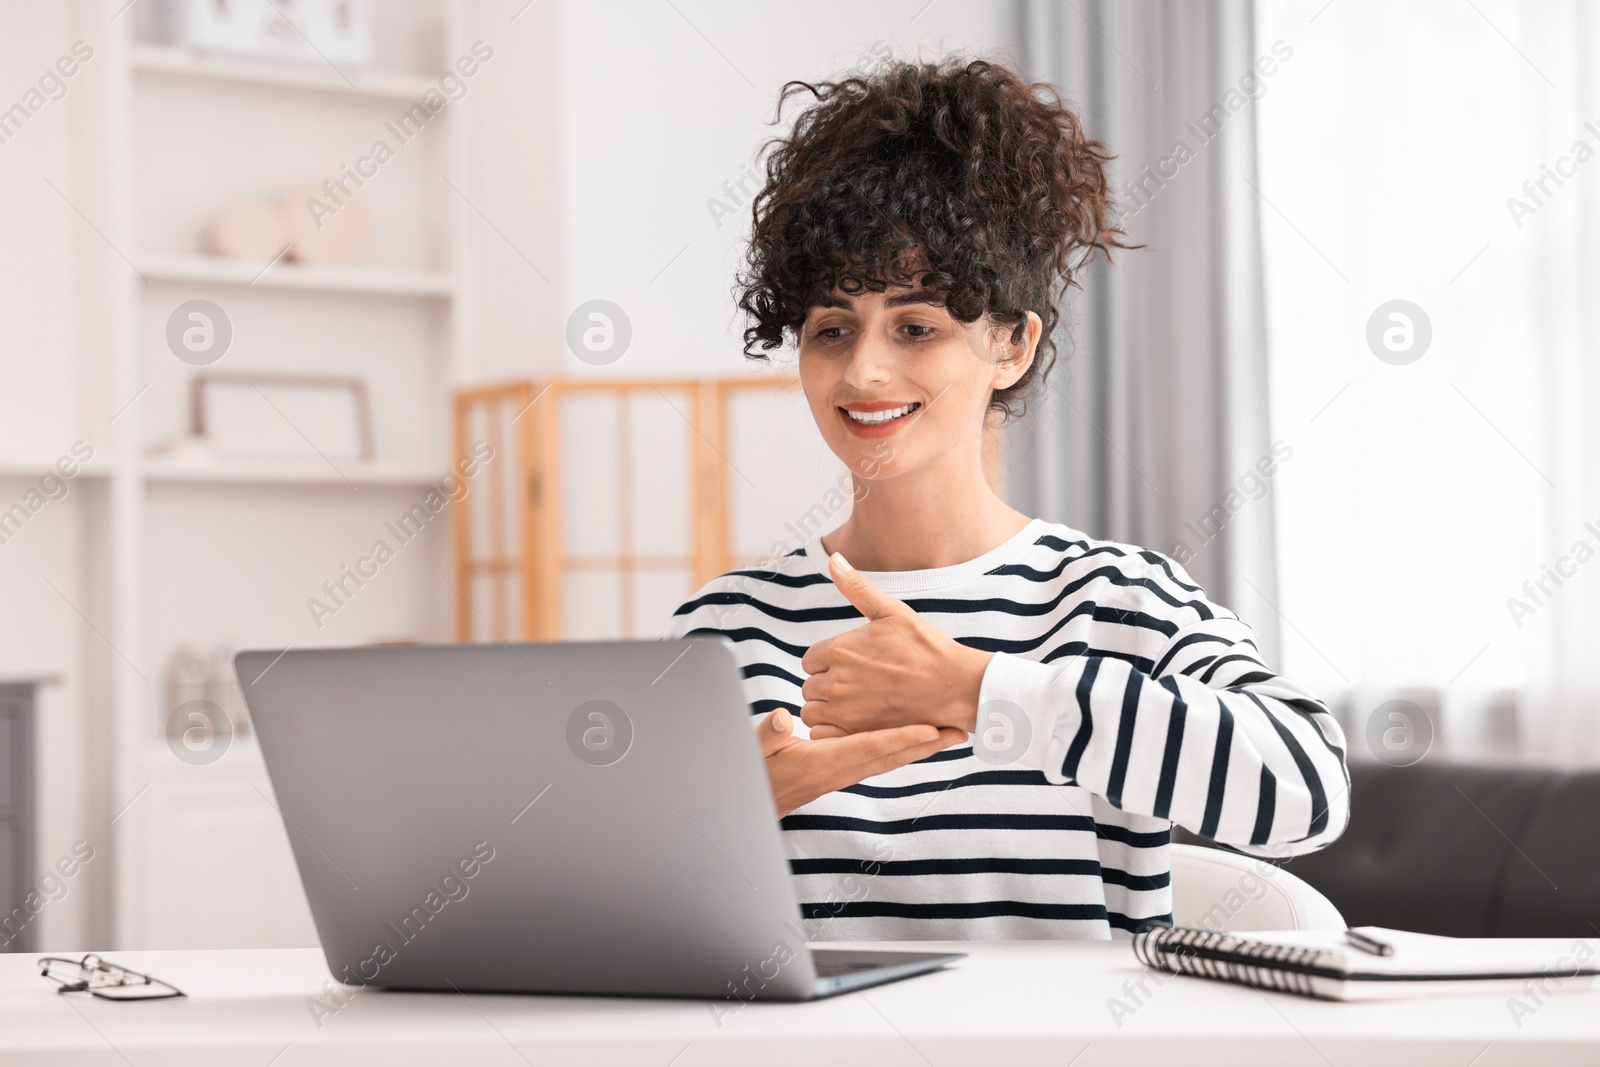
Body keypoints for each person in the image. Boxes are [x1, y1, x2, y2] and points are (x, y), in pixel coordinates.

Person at [665, 57, 1348, 939]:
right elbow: (618, 923)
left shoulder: (1115, 600)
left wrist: (983, 689)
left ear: (1011, 346)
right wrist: (723, 821)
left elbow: (1306, 789)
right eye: (832, 329)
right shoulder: (726, 629)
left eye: (917, 328)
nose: (865, 369)